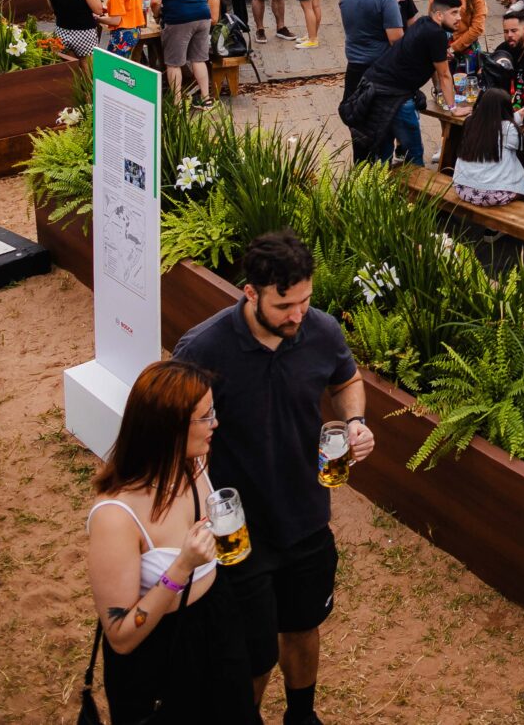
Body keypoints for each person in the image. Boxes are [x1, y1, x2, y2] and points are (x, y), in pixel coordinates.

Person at [175, 232, 375, 723]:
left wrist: (354, 421)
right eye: (285, 305)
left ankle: (301, 716)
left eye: (305, 301)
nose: (298, 315)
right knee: (252, 652)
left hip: (307, 515)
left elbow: (346, 379)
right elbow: (171, 429)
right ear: (250, 293)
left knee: (304, 626)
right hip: (240, 531)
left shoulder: (322, 331)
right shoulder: (202, 349)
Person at [87, 359, 258, 721]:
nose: (216, 423)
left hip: (218, 622)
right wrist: (181, 567)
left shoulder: (196, 465)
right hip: (161, 652)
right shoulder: (115, 517)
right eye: (205, 416)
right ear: (170, 428)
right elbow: (120, 635)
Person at [342, 0, 455, 168]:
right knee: (414, 153)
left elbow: (431, 62)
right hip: (395, 96)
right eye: (454, 13)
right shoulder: (437, 34)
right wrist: (453, 108)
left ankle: (382, 192)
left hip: (375, 88)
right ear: (440, 15)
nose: (459, 18)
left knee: (384, 149)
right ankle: (415, 195)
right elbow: (444, 74)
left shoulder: (423, 23)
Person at [447, 84, 524, 211]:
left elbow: (494, 126)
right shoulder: (507, 129)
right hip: (491, 194)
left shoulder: (470, 121)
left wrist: (517, 117)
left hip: (462, 188)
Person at [155, 0, 216, 100]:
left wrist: (157, 15)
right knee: (199, 59)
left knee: (174, 63)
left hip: (178, 19)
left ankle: (177, 102)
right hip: (203, 16)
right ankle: (206, 98)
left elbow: (155, 0)